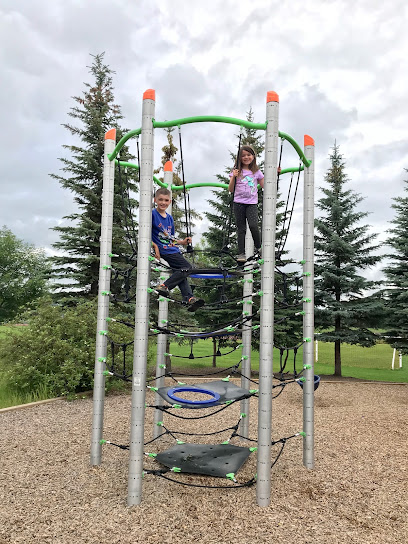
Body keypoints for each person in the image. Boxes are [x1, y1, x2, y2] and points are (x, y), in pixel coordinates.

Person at [151, 187, 204, 312]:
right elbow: (145, 233)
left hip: (172, 249)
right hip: (164, 250)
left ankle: (189, 298)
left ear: (170, 201)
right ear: (155, 200)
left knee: (181, 273)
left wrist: (182, 242)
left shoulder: (169, 218)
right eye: (160, 200)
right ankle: (164, 286)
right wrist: (155, 247)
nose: (163, 203)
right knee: (187, 268)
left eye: (166, 200)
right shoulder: (152, 214)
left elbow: (171, 238)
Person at [228, 145, 265, 263]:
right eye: (243, 155)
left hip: (252, 203)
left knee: (253, 225)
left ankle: (259, 247)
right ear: (239, 158)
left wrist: (276, 174)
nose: (246, 157)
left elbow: (266, 186)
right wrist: (233, 176)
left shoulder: (256, 172)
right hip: (238, 203)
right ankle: (241, 253)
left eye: (248, 155)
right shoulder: (236, 171)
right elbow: (231, 189)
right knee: (241, 229)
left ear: (253, 157)